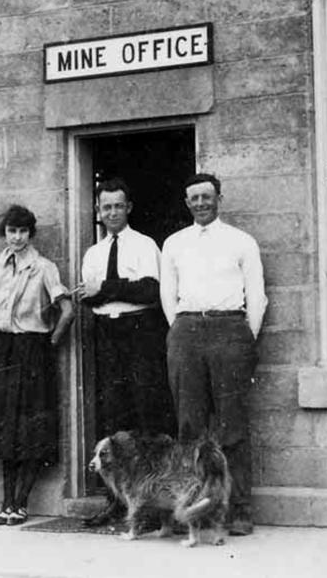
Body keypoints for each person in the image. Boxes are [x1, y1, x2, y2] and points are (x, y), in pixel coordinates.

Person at [160, 173, 267, 536]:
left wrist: (243, 338)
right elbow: (167, 294)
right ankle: (190, 509)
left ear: (219, 198)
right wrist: (182, 329)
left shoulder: (241, 241)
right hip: (187, 329)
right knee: (188, 427)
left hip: (230, 330)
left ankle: (238, 510)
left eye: (207, 196)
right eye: (194, 198)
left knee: (232, 426)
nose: (201, 203)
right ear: (186, 203)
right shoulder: (174, 243)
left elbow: (257, 295)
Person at [0, 204, 75, 527]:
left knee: (29, 430)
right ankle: (7, 502)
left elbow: (66, 311)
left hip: (32, 350)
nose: (17, 237)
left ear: (31, 233)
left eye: (23, 231)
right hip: (1, 350)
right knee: (4, 428)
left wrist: (49, 342)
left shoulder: (44, 268)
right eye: (12, 231)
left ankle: (21, 503)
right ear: (5, 233)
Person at [75, 178, 175, 526]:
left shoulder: (145, 245)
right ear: (99, 212)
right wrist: (107, 292)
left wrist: (105, 288)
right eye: (106, 207)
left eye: (118, 206)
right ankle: (116, 502)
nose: (112, 212)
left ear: (128, 208)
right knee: (112, 421)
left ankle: (151, 507)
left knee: (147, 420)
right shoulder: (94, 253)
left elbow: (150, 291)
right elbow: (87, 297)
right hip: (107, 335)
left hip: (141, 333)